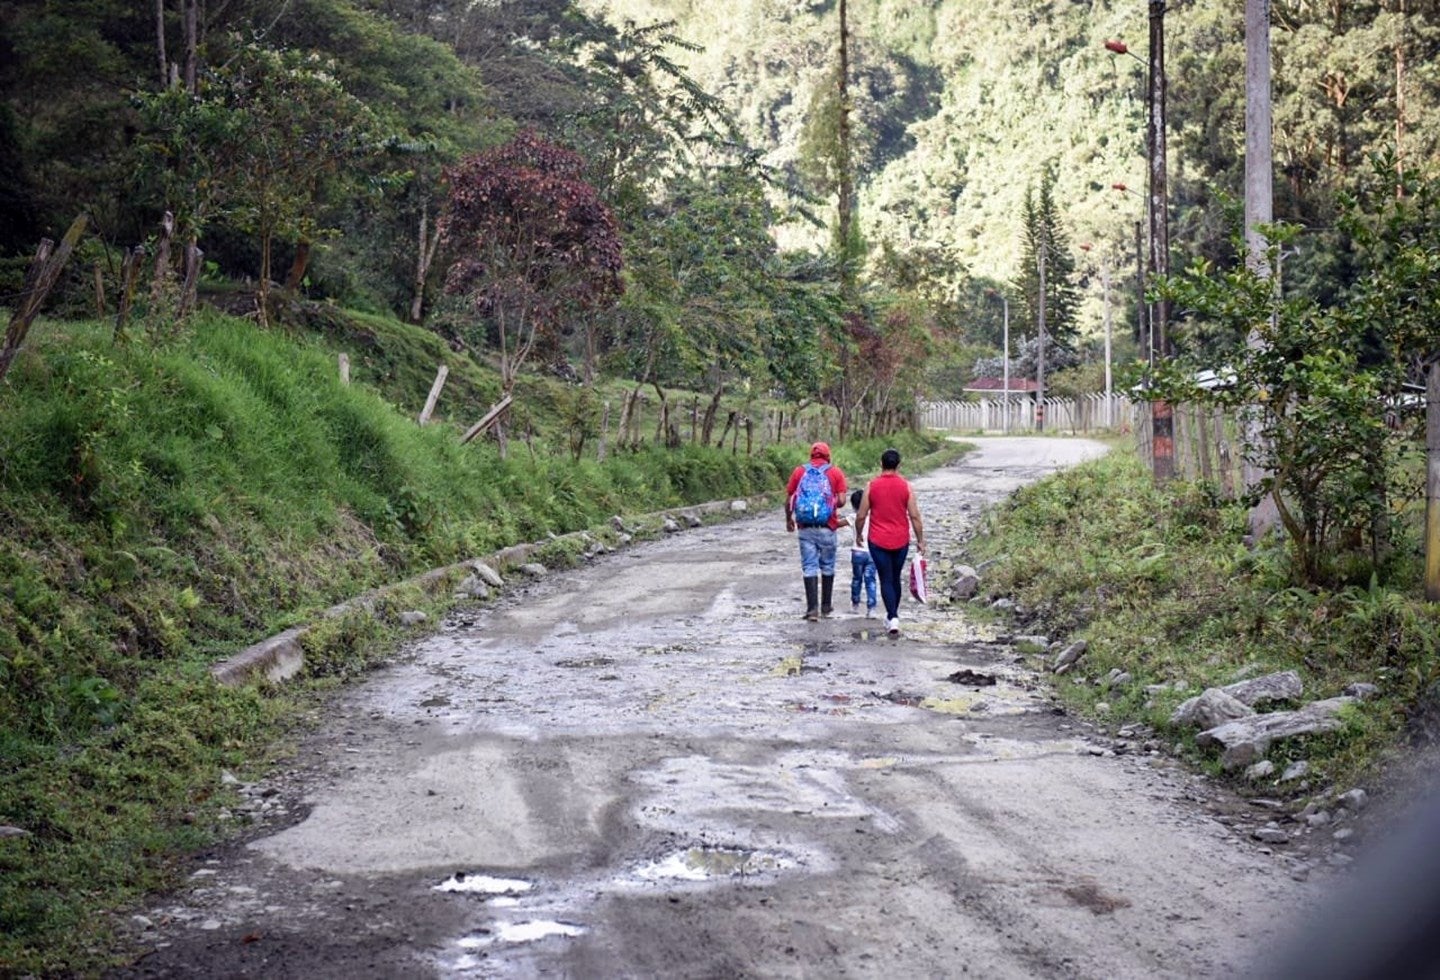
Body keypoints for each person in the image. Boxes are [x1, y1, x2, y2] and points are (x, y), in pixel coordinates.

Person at [853, 447, 925, 636]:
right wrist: (920, 540)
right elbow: (915, 516)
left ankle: (892, 617)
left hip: (877, 540)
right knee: (895, 577)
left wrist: (858, 533)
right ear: (898, 465)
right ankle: (894, 616)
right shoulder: (906, 486)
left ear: (881, 464)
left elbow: (861, 515)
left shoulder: (871, 486)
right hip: (901, 540)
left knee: (885, 578)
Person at [785, 441, 847, 622]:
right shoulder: (835, 472)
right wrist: (830, 502)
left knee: (809, 566)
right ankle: (826, 606)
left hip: (805, 528)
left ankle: (812, 610)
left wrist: (789, 519)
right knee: (827, 565)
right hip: (828, 527)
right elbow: (842, 500)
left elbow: (790, 498)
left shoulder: (799, 472)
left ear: (811, 455)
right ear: (828, 455)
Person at [841, 488, 878, 617]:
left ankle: (855, 604)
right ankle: (871, 608)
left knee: (856, 579)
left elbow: (836, 524)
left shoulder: (853, 517)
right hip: (872, 553)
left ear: (853, 504)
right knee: (871, 581)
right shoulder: (875, 517)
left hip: (857, 552)